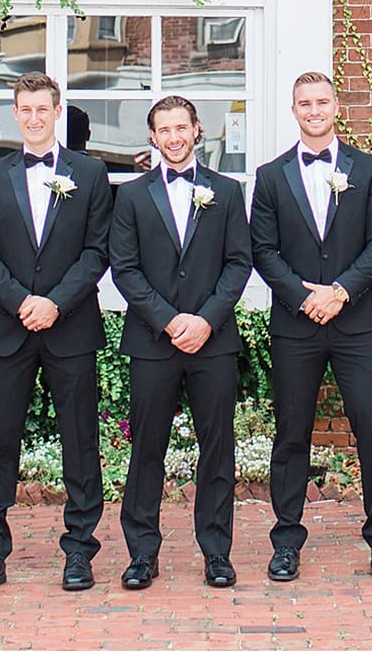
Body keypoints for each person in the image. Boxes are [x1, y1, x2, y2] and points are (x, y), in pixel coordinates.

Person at [249, 72, 372, 581]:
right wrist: (301, 296)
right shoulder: (271, 176)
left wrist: (340, 292)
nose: (314, 110)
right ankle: (286, 540)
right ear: (293, 110)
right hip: (295, 324)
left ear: (336, 106)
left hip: (356, 321)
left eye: (322, 101)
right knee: (291, 434)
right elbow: (262, 249)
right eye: (304, 103)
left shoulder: (370, 168)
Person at [0, 72, 113, 594]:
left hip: (70, 326)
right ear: (16, 114)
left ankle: (79, 550)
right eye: (24, 110)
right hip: (8, 327)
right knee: (0, 442)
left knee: (81, 443)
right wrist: (21, 301)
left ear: (56, 112)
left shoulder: (90, 174)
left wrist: (54, 303)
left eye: (41, 110)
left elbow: (98, 251)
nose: (32, 119)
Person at [108, 96, 253, 590]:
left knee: (217, 448)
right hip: (153, 340)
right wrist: (170, 322)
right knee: (147, 448)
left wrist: (207, 321)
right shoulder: (130, 196)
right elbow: (124, 268)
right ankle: (142, 554)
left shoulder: (227, 192)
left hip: (213, 342)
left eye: (180, 128)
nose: (173, 137)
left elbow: (239, 262)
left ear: (197, 130)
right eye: (163, 130)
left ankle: (216, 551)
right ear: (153, 137)